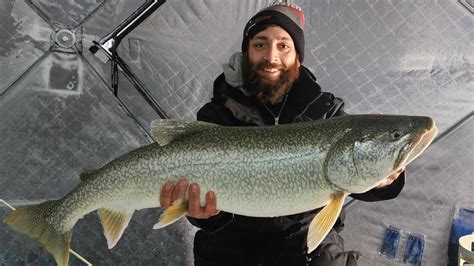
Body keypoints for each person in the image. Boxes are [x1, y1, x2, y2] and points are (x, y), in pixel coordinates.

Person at [159, 3, 405, 265]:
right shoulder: (216, 115)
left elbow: (355, 178)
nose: (271, 57)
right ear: (246, 53)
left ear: (298, 56)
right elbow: (206, 216)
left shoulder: (327, 113)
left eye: (283, 45)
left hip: (308, 245)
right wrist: (202, 214)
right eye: (260, 44)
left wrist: (385, 180)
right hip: (231, 245)